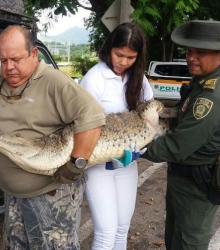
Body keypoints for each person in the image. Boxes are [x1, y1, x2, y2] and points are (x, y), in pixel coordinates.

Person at [0, 25, 106, 250]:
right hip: (12, 194)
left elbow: (93, 118)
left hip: (51, 194)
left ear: (33, 54)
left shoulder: (54, 82)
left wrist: (76, 163)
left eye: (16, 59)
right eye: (3, 60)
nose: (9, 67)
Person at [140, 20, 220, 250]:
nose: (191, 57)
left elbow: (178, 145)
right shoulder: (203, 82)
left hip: (196, 185)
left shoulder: (211, 96)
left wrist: (135, 148)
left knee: (189, 244)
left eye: (200, 52)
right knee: (175, 240)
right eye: (189, 51)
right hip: (186, 178)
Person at [80, 22, 153, 250]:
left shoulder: (138, 79)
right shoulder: (94, 79)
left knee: (122, 228)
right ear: (109, 48)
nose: (123, 62)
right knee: (106, 232)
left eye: (130, 57)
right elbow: (83, 127)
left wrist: (139, 148)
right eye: (119, 55)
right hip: (98, 164)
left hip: (127, 163)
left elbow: (150, 116)